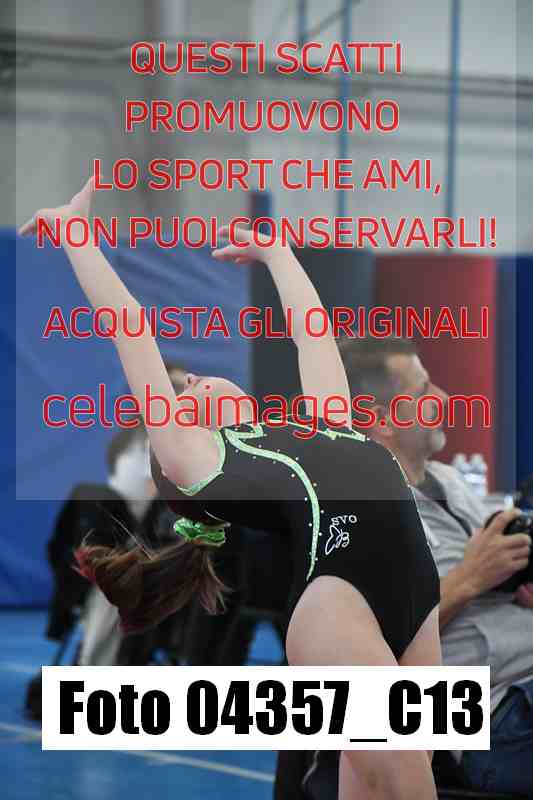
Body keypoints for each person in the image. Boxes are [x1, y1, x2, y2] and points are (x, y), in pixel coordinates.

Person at [20, 179, 440, 800]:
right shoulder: (199, 458)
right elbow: (131, 329)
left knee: (381, 784)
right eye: (187, 390)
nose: (195, 378)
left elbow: (313, 335)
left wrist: (278, 256)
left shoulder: (317, 423)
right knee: (406, 784)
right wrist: (79, 238)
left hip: (416, 595)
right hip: (339, 601)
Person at [340, 337, 533, 796]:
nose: (444, 398)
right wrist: (469, 580)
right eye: (424, 390)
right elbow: (368, 648)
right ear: (384, 420)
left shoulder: (448, 480)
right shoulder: (361, 515)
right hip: (495, 716)